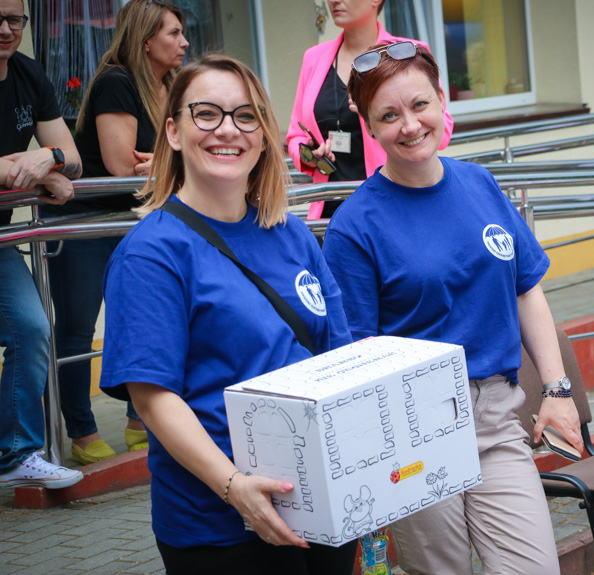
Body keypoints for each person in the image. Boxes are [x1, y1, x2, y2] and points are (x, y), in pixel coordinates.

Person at [322, 42, 585, 575]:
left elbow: (526, 289)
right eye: (389, 116)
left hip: (496, 416)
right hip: (414, 428)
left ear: (442, 102)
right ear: (370, 128)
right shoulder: (355, 225)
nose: (410, 125)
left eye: (419, 105)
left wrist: (557, 391)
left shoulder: (480, 184)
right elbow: (357, 356)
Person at [99, 53, 356, 575]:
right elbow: (153, 397)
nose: (228, 130)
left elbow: (341, 358)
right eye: (207, 114)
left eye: (245, 116)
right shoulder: (152, 252)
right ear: (173, 131)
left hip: (324, 506)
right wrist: (235, 487)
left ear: (263, 135)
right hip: (220, 527)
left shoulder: (290, 234)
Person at [43, 0, 189, 465]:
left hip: (134, 223)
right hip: (84, 224)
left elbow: (182, 153)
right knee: (77, 332)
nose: (184, 42)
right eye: (174, 33)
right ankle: (81, 434)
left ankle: (138, 421)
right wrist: (171, 161)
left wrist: (166, 161)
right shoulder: (116, 82)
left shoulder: (171, 86)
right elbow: (123, 165)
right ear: (146, 40)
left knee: (142, 324)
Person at [0, 0, 82, 489]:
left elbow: (70, 157)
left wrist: (47, 159)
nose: (7, 30)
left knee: (32, 329)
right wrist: (26, 165)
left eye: (15, 20)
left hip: (2, 236)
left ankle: (16, 453)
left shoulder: (29, 74)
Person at [286, 0, 454, 220]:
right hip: (330, 208)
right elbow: (295, 135)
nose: (334, 1)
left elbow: (442, 130)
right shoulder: (313, 58)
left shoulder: (407, 52)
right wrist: (308, 154)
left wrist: (378, 115)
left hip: (392, 202)